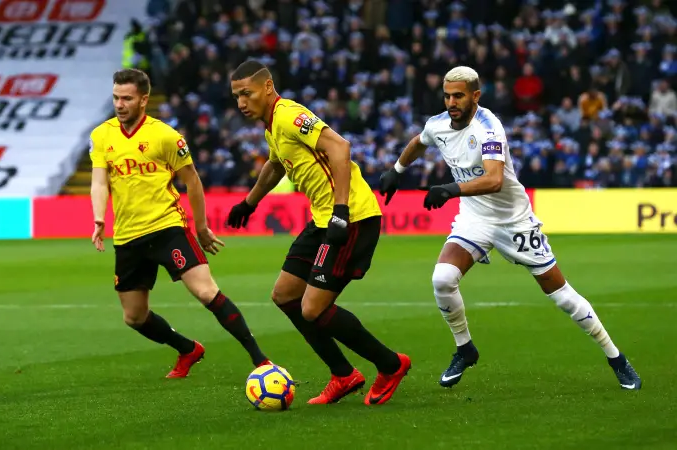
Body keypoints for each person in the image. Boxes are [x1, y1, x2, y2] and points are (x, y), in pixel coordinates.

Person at [379, 66, 642, 390]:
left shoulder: (489, 128)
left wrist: (450, 189)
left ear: (475, 95)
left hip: (513, 220)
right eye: (447, 96)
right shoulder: (438, 125)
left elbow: (494, 179)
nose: (451, 102)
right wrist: (397, 169)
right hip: (475, 218)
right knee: (442, 279)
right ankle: (465, 349)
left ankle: (616, 358)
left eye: (458, 95)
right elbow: (419, 141)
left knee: (561, 296)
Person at [226, 60, 410, 405]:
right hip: (323, 219)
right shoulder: (271, 127)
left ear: (267, 88)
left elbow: (340, 147)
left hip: (351, 216)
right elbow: (276, 163)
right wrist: (249, 203)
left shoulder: (289, 115)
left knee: (312, 308)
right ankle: (343, 375)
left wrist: (340, 210)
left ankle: (390, 364)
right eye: (236, 96)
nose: (240, 103)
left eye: (246, 93)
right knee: (284, 295)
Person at [89, 68, 271, 378]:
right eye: (116, 98)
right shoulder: (101, 135)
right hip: (128, 237)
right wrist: (98, 218)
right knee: (134, 317)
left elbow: (193, 181)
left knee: (205, 292)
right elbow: (99, 182)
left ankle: (261, 361)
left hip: (167, 228)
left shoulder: (165, 136)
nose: (120, 105)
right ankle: (188, 349)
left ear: (144, 99)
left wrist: (200, 228)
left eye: (127, 99)